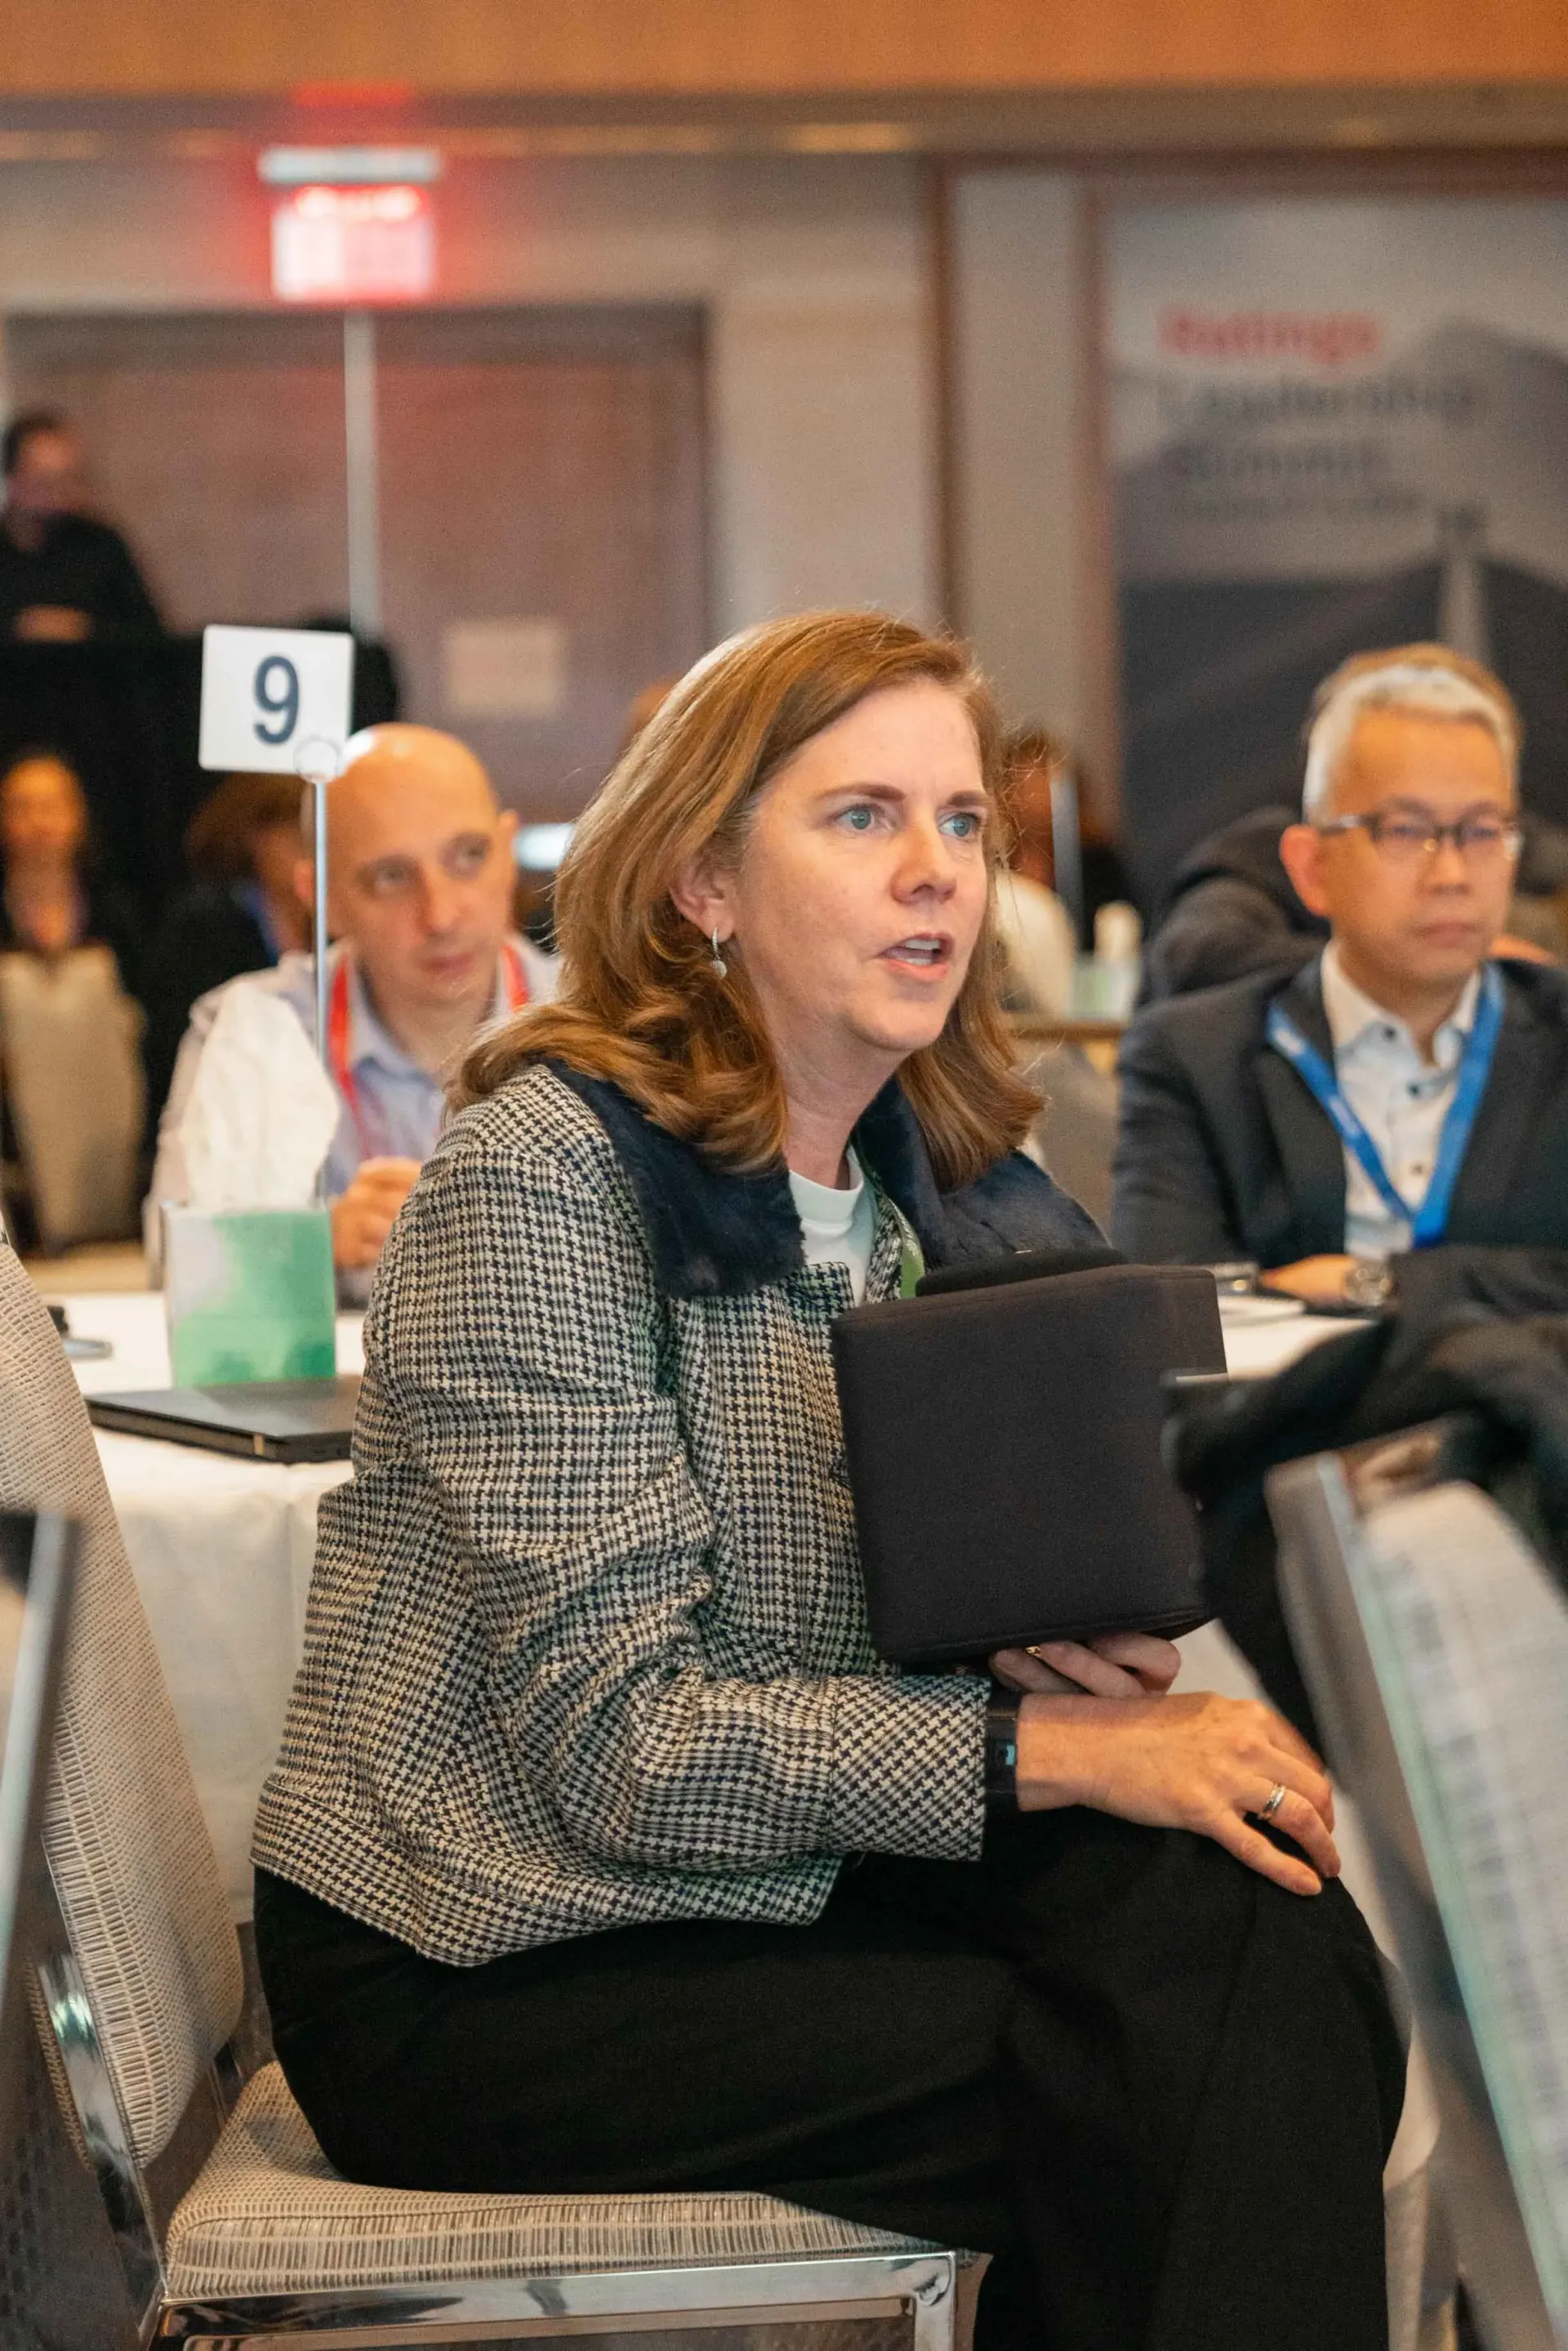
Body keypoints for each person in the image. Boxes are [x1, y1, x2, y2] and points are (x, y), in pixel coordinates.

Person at [252, 613, 1401, 2351]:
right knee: (1200, 2066)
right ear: (705, 878)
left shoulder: (915, 1177)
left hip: (766, 1872)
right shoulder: (540, 1176)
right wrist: (1054, 1749)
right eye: (862, 818)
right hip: (492, 1951)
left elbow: (850, 1607)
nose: (933, 873)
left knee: (1271, 1936)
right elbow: (621, 1746)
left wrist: (1036, 1642)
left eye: (961, 823)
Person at [1113, 645, 1568, 1301]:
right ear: (1312, 868)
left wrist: (1379, 1284)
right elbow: (1162, 1314)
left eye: (1482, 830)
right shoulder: (1195, 1060)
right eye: (1406, 831)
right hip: (1286, 1403)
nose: (1451, 875)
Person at [149, 724, 556, 1283]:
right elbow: (177, 1263)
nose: (440, 916)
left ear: (509, 854)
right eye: (391, 877)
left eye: (468, 857)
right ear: (323, 899)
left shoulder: (606, 1020)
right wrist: (309, 1246)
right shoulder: (257, 1031)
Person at [140, 772, 313, 1131]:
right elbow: (173, 1044)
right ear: (254, 838)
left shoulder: (337, 925)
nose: (310, 853)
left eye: (320, 838)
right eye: (298, 837)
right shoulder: (202, 924)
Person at [0, 410, 163, 642]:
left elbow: (149, 636)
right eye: (44, 482)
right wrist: (17, 627)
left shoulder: (100, 545)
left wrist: (85, 629)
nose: (58, 496)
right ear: (13, 479)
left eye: (69, 480)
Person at [0, 747, 140, 993]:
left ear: (80, 816)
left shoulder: (112, 912)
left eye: (52, 807)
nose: (39, 824)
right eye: (22, 808)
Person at [991, 724, 1077, 1018]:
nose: (1037, 794)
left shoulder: (1089, 863)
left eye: (1047, 778)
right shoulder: (988, 874)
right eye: (1026, 781)